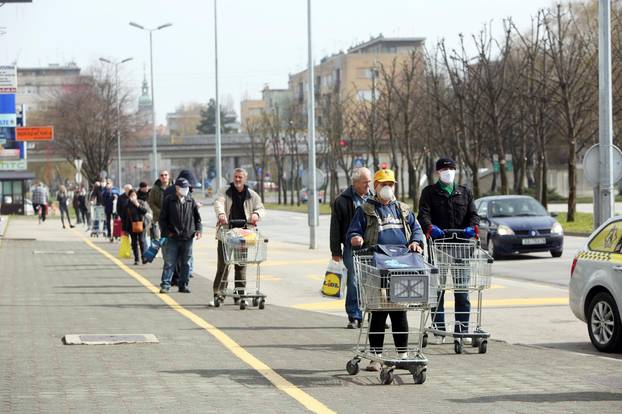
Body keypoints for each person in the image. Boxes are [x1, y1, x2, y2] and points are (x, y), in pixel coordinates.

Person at [347, 168, 424, 372]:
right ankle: (375, 357)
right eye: (384, 185)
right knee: (378, 313)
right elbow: (353, 231)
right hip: (375, 267)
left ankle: (403, 355)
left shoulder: (403, 209)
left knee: (399, 312)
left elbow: (416, 229)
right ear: (376, 187)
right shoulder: (365, 209)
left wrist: (416, 242)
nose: (388, 188)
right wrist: (356, 238)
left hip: (400, 267)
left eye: (391, 184)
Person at [417, 157, 480, 344]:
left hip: (461, 248)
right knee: (438, 291)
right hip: (440, 248)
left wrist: (472, 228)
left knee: (462, 292)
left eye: (451, 169)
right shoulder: (429, 192)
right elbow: (423, 215)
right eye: (444, 169)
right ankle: (439, 331)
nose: (448, 172)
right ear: (438, 172)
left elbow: (474, 215)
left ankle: (462, 330)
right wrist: (430, 228)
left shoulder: (464, 192)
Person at [209, 168, 266, 307]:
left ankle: (240, 295)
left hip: (243, 236)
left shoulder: (251, 195)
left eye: (240, 177)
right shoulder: (225, 191)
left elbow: (261, 208)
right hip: (226, 235)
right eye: (236, 177)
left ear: (245, 179)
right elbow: (218, 202)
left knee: (240, 266)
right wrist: (221, 214)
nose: (238, 179)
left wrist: (256, 215)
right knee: (223, 266)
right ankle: (218, 295)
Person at [329, 167, 372, 329]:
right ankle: (354, 315)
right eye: (365, 182)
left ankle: (374, 315)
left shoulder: (373, 198)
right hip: (351, 248)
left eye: (369, 182)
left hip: (371, 247)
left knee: (371, 281)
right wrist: (335, 251)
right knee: (353, 281)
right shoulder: (342, 200)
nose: (368, 185)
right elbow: (335, 228)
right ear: (354, 183)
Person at [159, 177, 202, 293]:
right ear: (177, 188)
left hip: (188, 237)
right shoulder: (169, 200)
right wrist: (167, 233)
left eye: (186, 187)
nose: (185, 190)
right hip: (173, 237)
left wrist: (198, 230)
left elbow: (197, 218)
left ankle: (183, 284)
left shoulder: (190, 200)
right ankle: (165, 285)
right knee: (169, 262)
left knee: (186, 262)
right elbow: (162, 219)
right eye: (183, 187)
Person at [124, 189, 151, 265]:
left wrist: (137, 205)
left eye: (134, 195)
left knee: (142, 241)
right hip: (131, 226)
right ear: (129, 197)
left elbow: (145, 211)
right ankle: (136, 259)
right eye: (131, 195)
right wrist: (125, 229)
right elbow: (125, 218)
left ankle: (144, 257)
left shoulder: (141, 202)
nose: (133, 197)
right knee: (134, 242)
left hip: (141, 225)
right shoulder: (127, 205)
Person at [148, 170, 171, 241]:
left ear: (169, 176)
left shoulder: (174, 187)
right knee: (161, 238)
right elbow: (151, 202)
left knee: (171, 238)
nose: (164, 176)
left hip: (171, 217)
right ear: (159, 177)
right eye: (162, 175)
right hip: (158, 218)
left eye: (165, 175)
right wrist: (160, 212)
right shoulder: (154, 189)